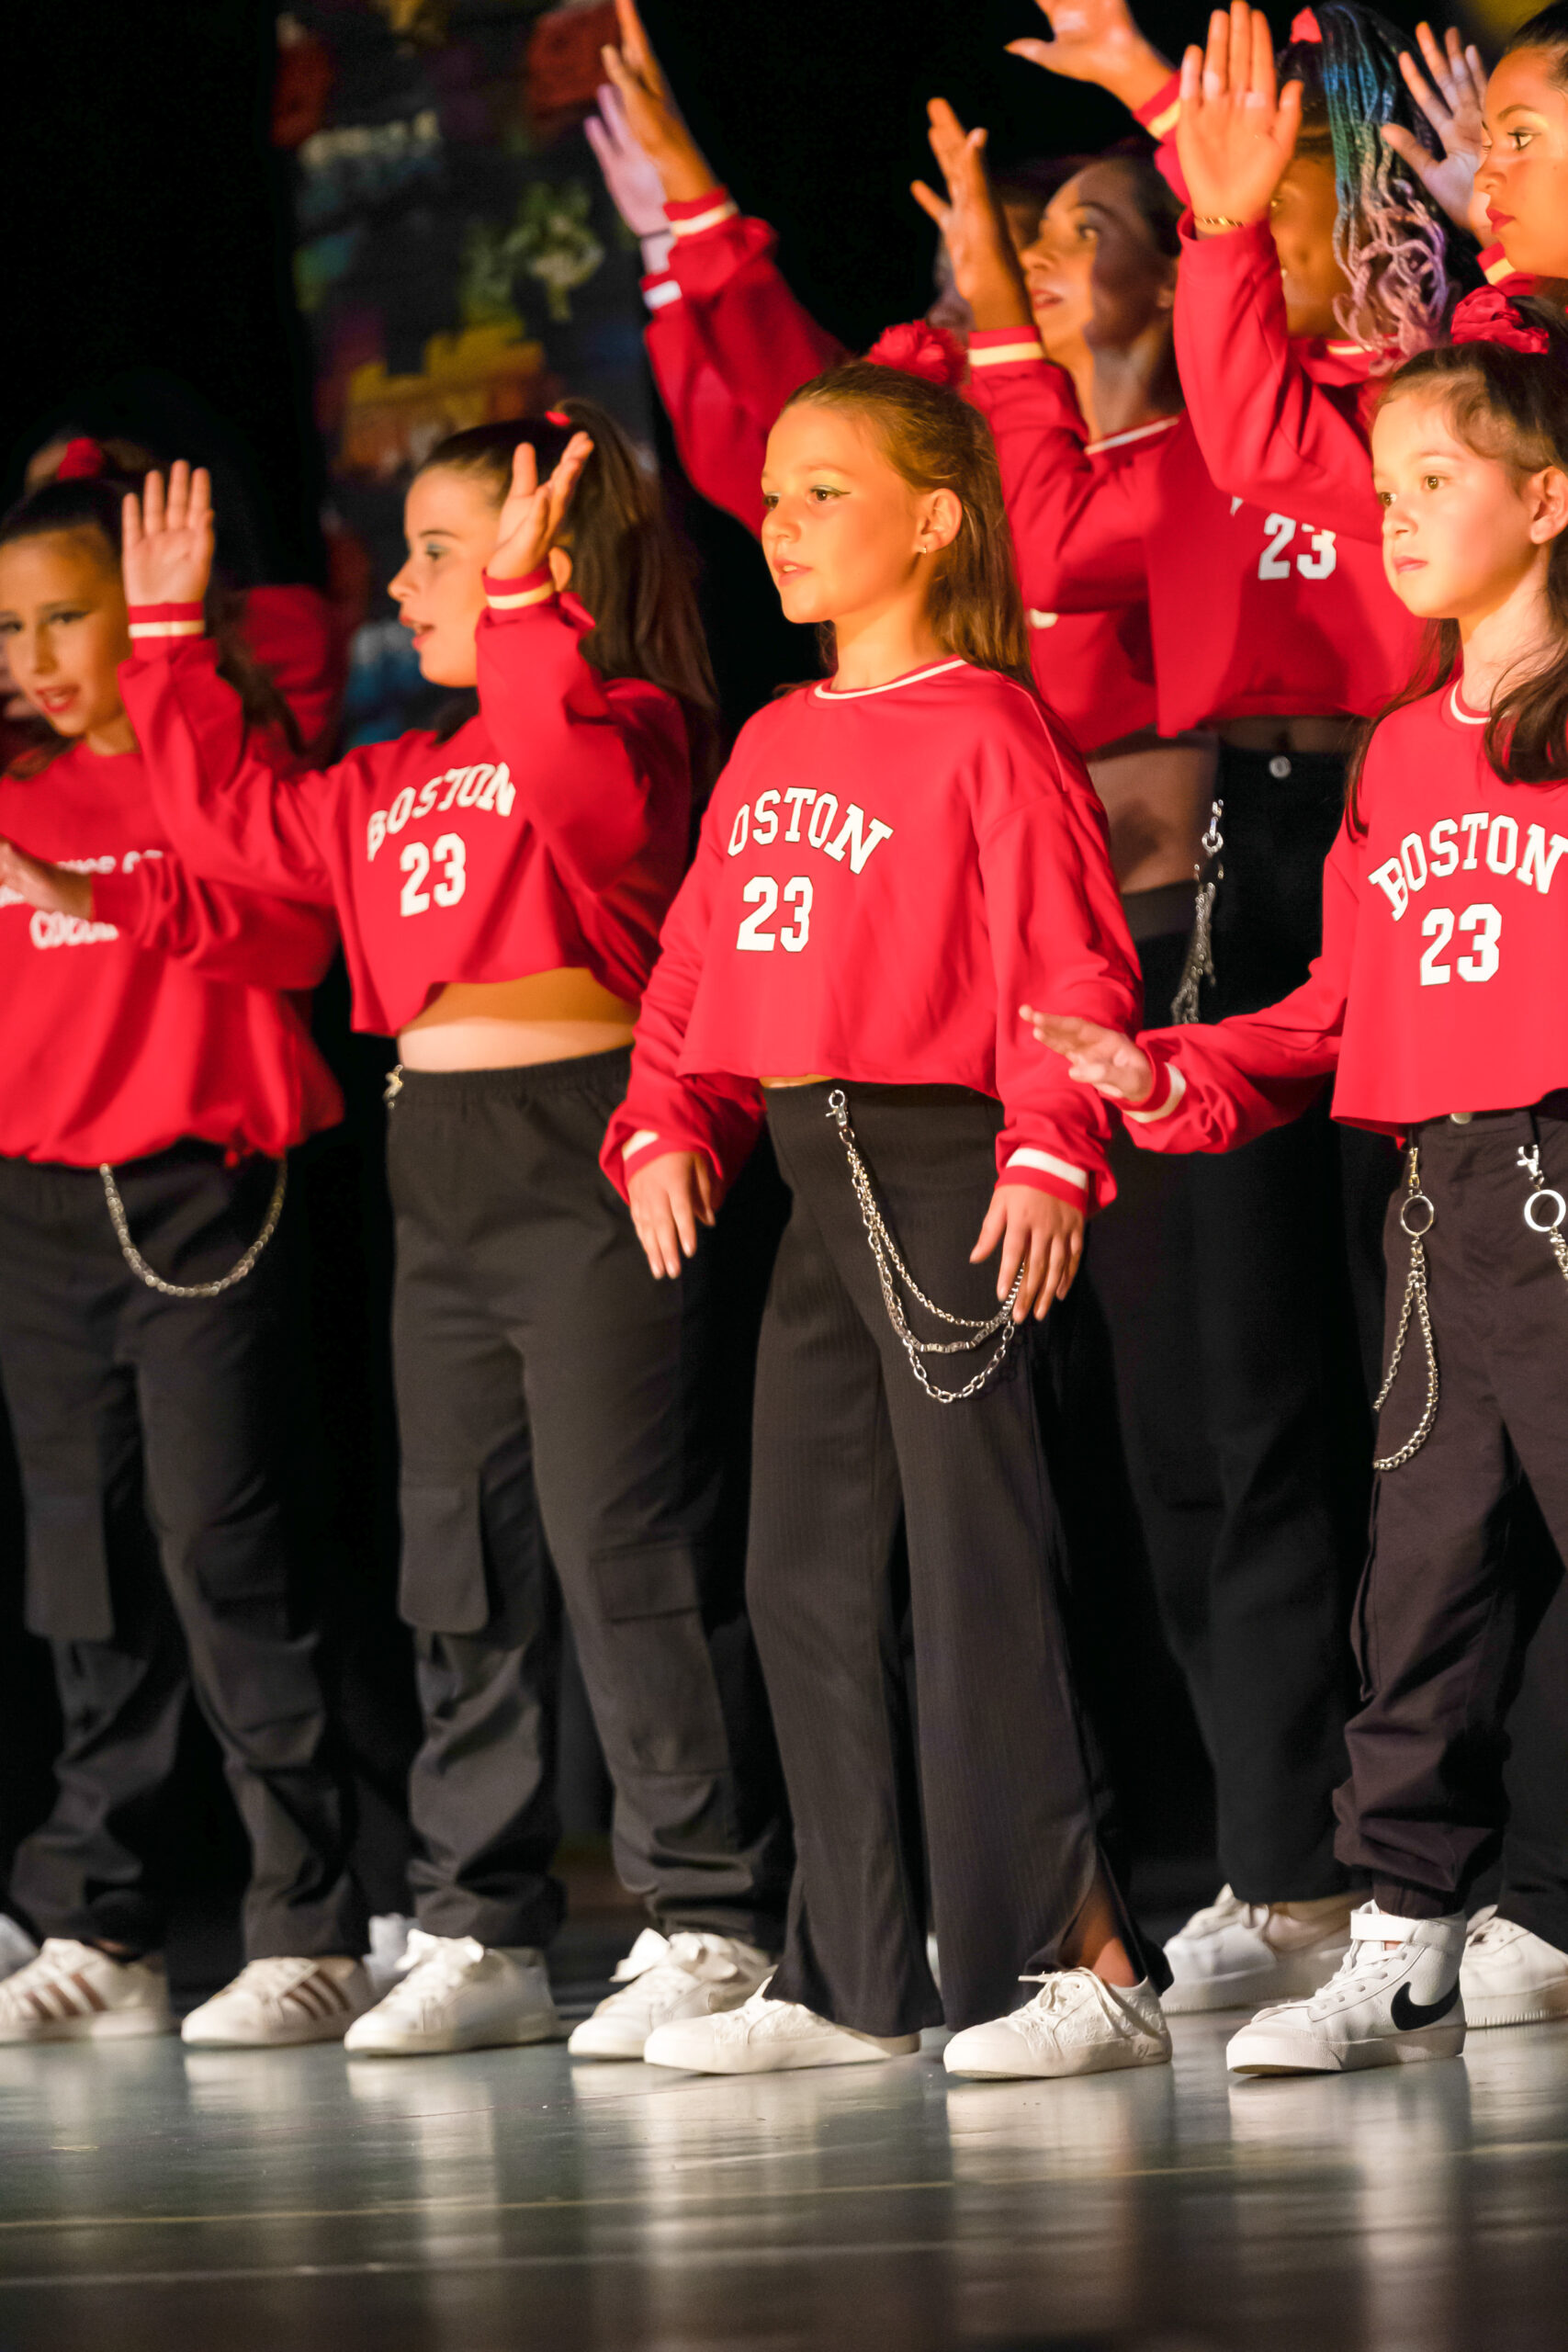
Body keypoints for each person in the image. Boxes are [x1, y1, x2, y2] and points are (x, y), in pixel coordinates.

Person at [114, 409, 790, 2060]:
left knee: (627, 1540)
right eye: (413, 555)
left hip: (590, 1144)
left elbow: (578, 793)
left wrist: (521, 611)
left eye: (439, 550)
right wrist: (165, 639)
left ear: (542, 561)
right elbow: (235, 823)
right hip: (441, 1171)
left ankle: (709, 1913)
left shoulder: (628, 725)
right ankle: (478, 1921)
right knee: (460, 1554)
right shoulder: (393, 776)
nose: (407, 586)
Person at [602, 334, 1173, 2082]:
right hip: (813, 1182)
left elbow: (1070, 957)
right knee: (802, 1575)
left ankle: (1077, 1960)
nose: (780, 523)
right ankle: (853, 1980)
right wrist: (664, 1120)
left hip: (944, 1176)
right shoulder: (773, 735)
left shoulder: (989, 723)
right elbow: (697, 967)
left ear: (933, 521)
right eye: (772, 496)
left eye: (823, 492)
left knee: (984, 1570)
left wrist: (1048, 1147)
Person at [1031, 288, 1568, 2072]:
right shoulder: (1402, 747)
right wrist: (1169, 1071)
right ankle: (1402, 1939)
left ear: (1548, 499)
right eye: (1381, 486)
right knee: (1418, 1588)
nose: (1392, 515)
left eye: (1435, 480)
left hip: (1558, 1169)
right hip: (1437, 1204)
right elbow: (1337, 1006)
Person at [0, 464, 371, 2048]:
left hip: (202, 1203)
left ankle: (309, 1924)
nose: (35, 655)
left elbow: (298, 937)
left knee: (226, 1549)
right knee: (82, 1566)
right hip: (41, 1212)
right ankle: (102, 1921)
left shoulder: (206, 762)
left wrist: (105, 893)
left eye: (64, 616)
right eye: (9, 627)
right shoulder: (13, 783)